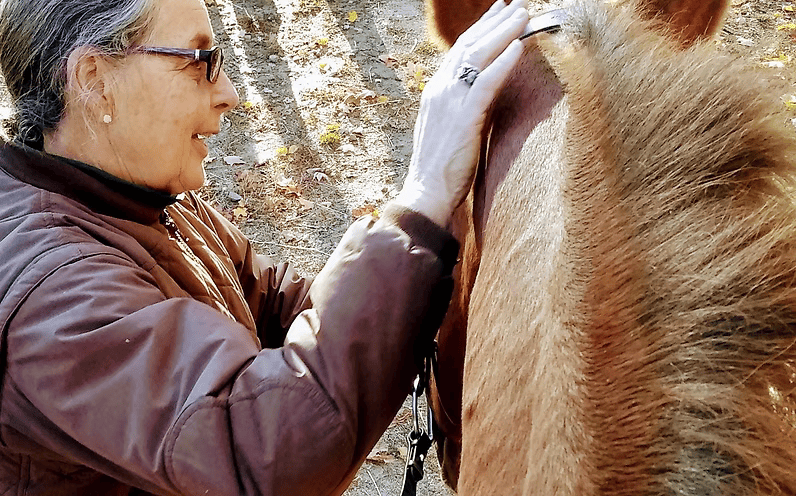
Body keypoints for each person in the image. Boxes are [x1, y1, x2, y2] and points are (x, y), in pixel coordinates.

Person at [0, 0, 529, 493]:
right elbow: (258, 450)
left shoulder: (135, 197)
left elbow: (274, 304)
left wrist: (427, 278)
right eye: (199, 61)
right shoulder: (52, 293)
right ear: (95, 81)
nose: (228, 92)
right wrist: (423, 198)